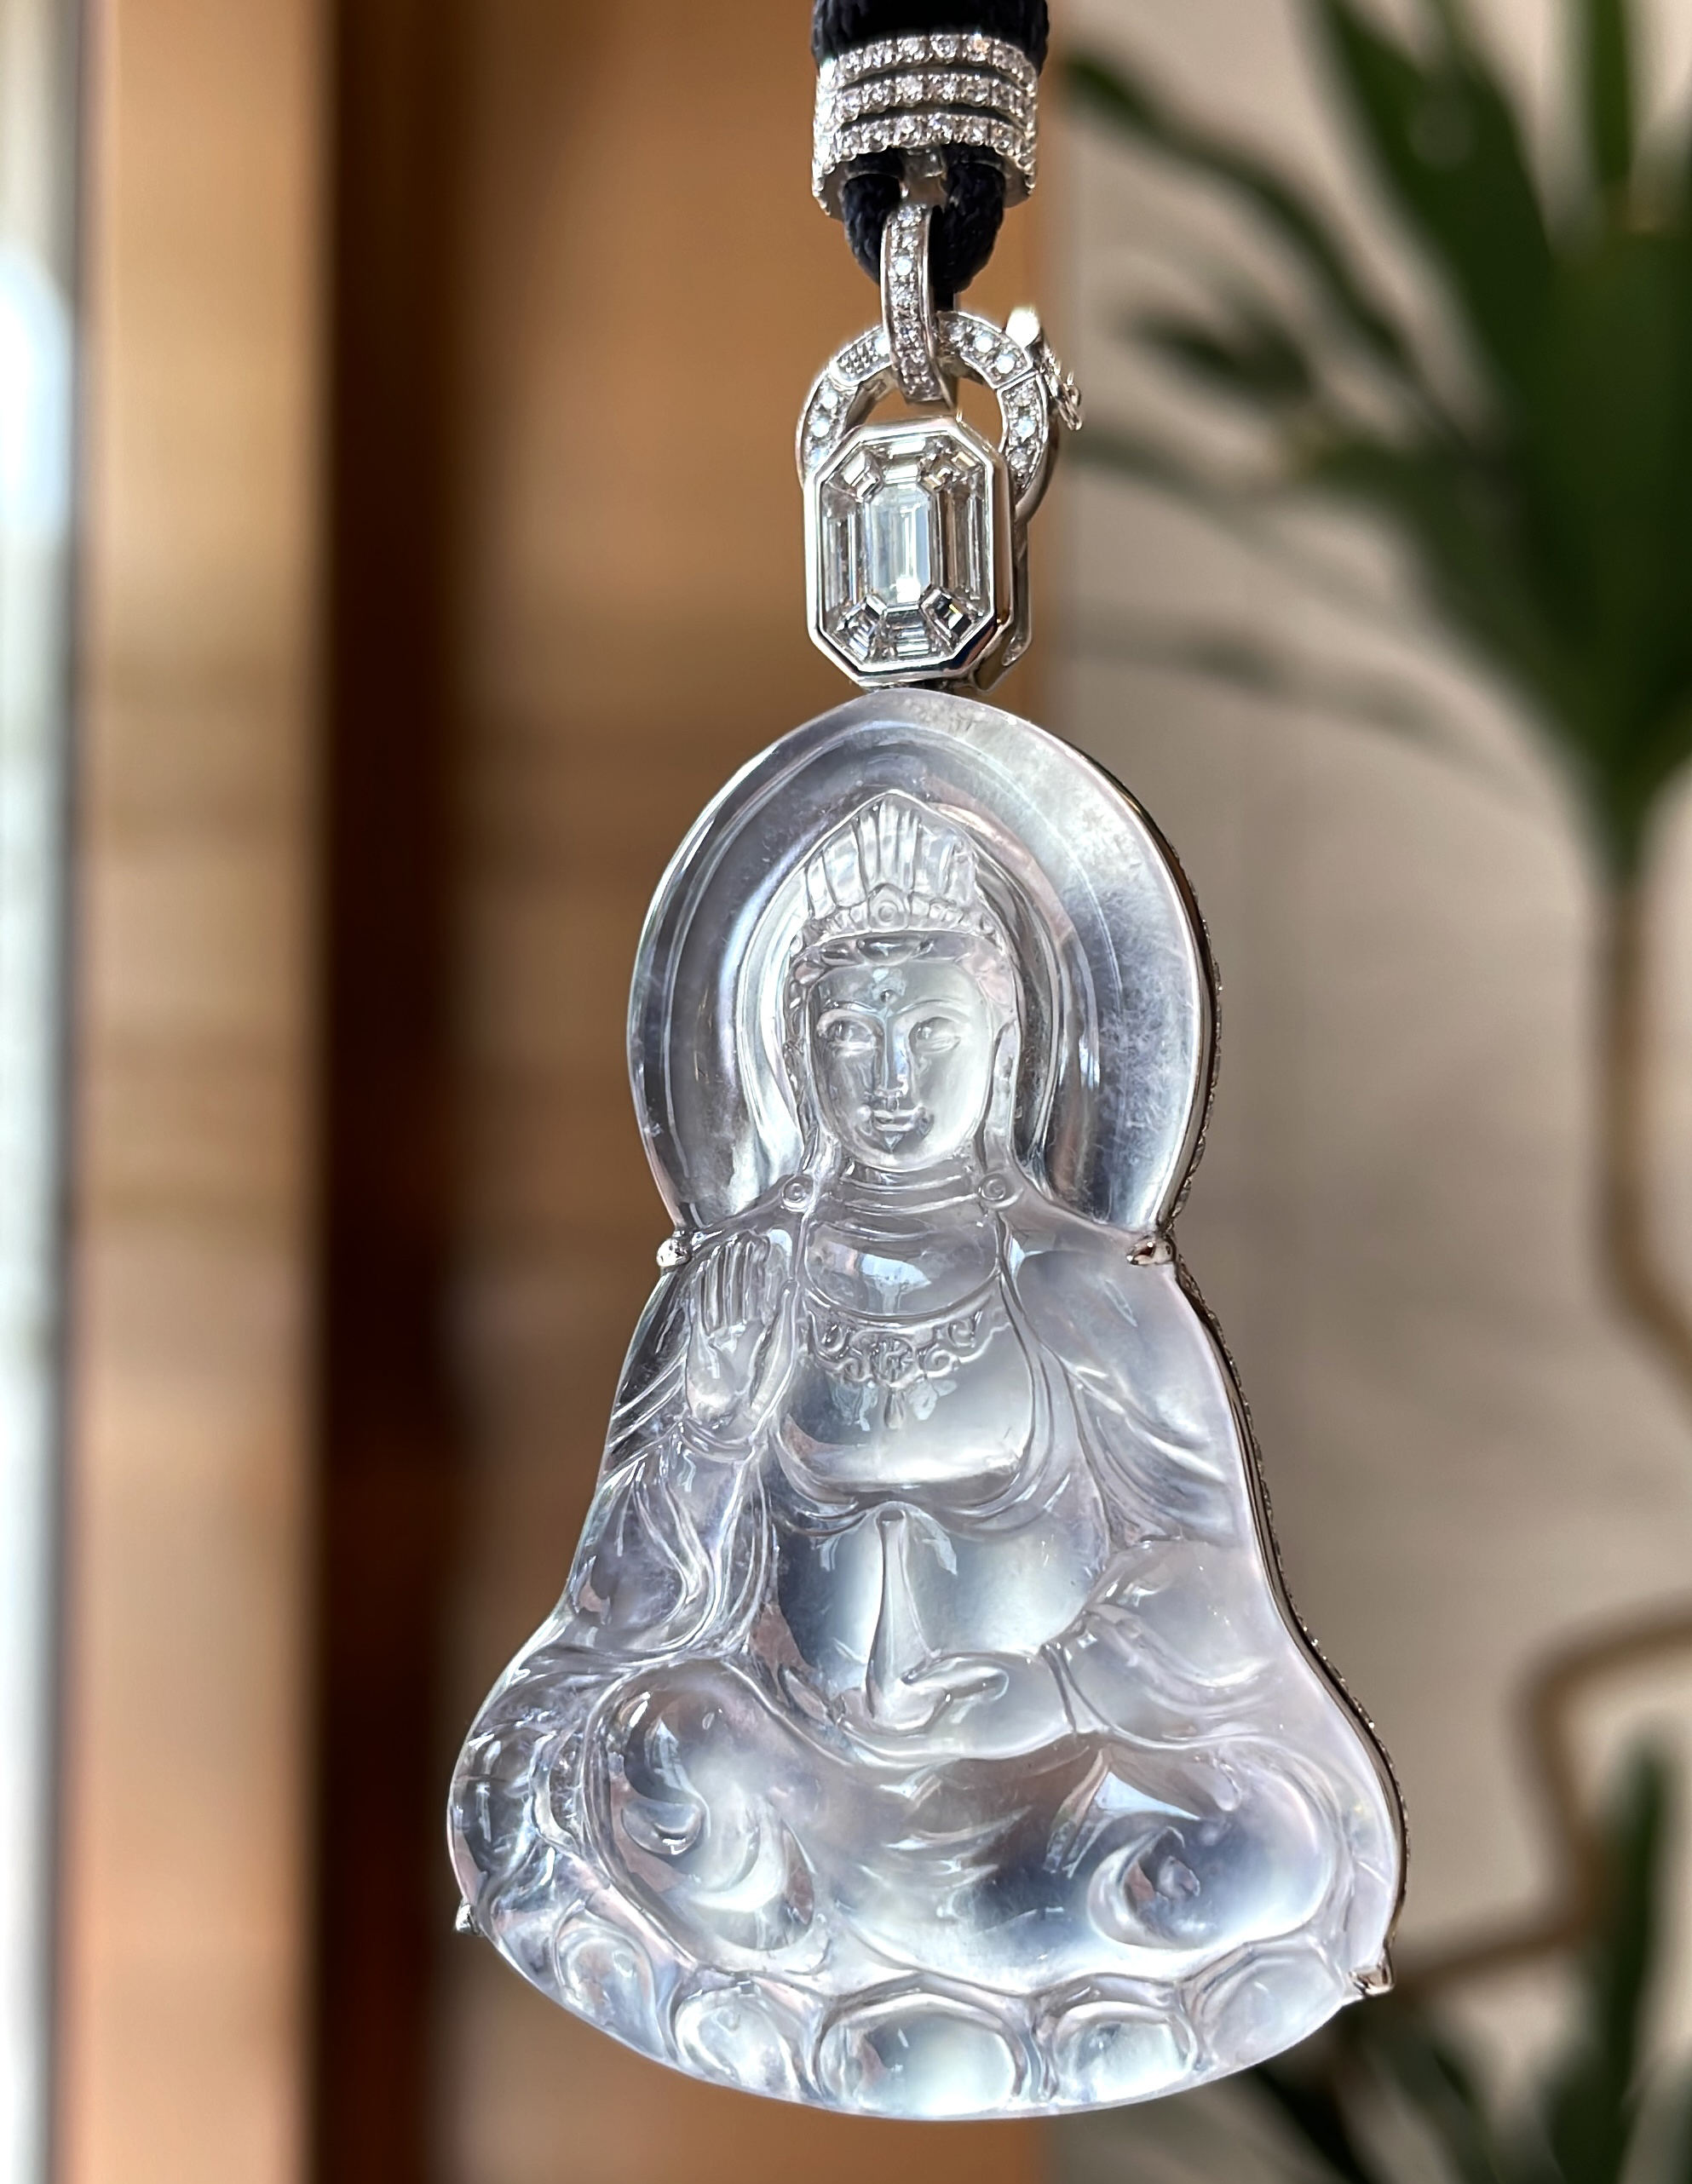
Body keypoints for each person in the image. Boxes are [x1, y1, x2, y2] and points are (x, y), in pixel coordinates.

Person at [452, 793, 1400, 2113]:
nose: (888, 1079)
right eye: (848, 1035)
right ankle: (964, 1975)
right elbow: (635, 1592)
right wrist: (707, 1446)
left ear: (1006, 1049)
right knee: (642, 1754)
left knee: (1267, 1844)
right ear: (791, 1057)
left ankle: (838, 1972)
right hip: (795, 1775)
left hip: (1039, 1781)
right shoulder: (739, 1282)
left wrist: (1044, 1690)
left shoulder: (1085, 1282)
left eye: (929, 1033)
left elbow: (1197, 1576)